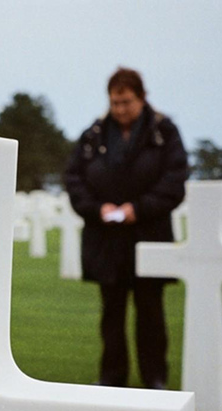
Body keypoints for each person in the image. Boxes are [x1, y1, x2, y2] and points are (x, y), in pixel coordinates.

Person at [64, 67, 188, 389]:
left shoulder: (163, 132)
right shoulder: (93, 135)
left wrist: (140, 208)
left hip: (148, 233)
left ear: (142, 97)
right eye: (115, 102)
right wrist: (97, 208)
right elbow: (74, 178)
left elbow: (175, 180)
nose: (120, 109)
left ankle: (154, 379)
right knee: (111, 314)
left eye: (126, 102)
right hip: (106, 238)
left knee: (151, 314)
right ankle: (112, 378)